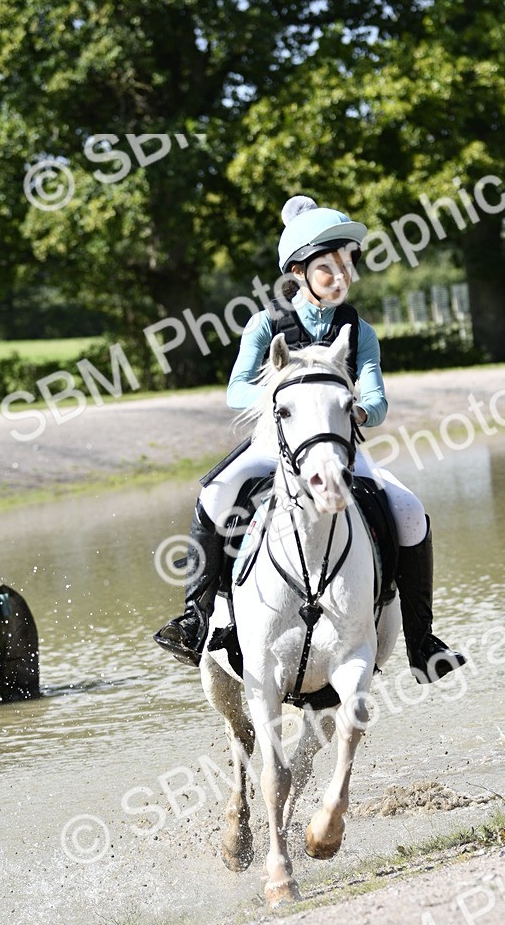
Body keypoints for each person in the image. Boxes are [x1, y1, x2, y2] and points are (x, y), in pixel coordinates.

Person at [154, 195, 463, 682]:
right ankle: (195, 621)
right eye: (328, 268)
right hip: (271, 447)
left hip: (339, 448)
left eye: (347, 266)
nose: (340, 278)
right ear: (297, 271)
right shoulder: (265, 325)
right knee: (213, 494)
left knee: (408, 512)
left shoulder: (359, 330)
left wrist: (359, 408)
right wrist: (276, 392)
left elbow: (378, 398)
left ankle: (422, 642)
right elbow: (236, 389)